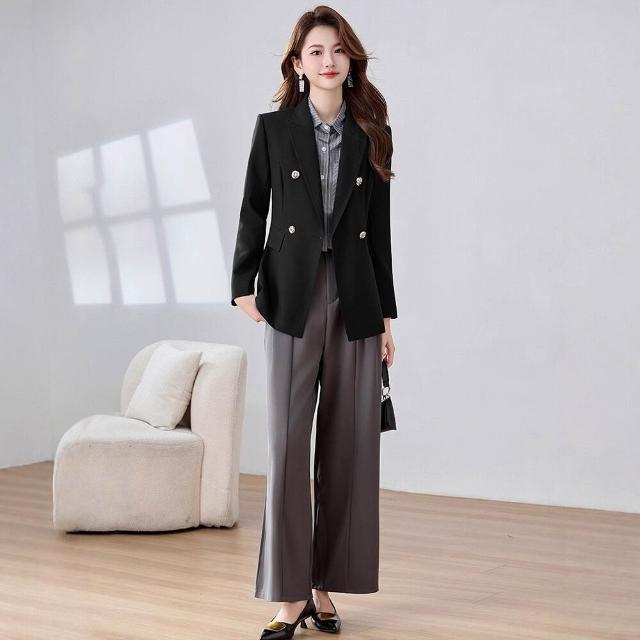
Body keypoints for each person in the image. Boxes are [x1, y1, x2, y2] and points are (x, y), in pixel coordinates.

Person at [230, 6, 398, 639]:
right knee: (286, 445)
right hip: (290, 296)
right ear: (298, 65)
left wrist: (386, 315)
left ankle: (323, 587)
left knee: (348, 445)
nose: (328, 61)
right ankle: (288, 595)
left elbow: (379, 230)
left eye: (338, 50)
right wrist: (243, 283)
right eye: (316, 52)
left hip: (356, 298)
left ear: (350, 60)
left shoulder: (373, 132)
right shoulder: (274, 129)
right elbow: (254, 206)